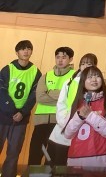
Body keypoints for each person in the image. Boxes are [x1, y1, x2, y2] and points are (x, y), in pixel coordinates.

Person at [63, 66, 106, 172]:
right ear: (83, 81)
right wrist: (79, 117)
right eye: (89, 77)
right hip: (75, 157)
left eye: (97, 76)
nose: (94, 79)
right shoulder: (77, 101)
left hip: (99, 158)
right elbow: (67, 134)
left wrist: (90, 116)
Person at [0, 40, 42, 177]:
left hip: (21, 119)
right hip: (3, 116)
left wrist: (22, 112)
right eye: (23, 49)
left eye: (29, 48)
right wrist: (13, 110)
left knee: (14, 152)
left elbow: (34, 95)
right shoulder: (7, 69)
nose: (26, 51)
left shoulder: (36, 72)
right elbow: (1, 91)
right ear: (17, 52)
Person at [48, 53, 98, 165]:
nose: (85, 66)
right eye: (83, 64)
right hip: (64, 124)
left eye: (89, 64)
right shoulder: (70, 82)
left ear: (95, 67)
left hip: (82, 129)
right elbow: (61, 103)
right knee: (55, 161)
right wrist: (63, 121)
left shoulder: (96, 85)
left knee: (72, 164)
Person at [28, 46, 75, 166]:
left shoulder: (75, 76)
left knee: (54, 156)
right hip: (41, 120)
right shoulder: (46, 75)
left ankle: (50, 174)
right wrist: (62, 96)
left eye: (64, 57)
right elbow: (40, 97)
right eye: (57, 57)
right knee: (35, 153)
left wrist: (49, 93)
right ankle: (33, 174)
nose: (60, 60)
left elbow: (72, 97)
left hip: (60, 121)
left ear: (70, 59)